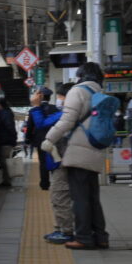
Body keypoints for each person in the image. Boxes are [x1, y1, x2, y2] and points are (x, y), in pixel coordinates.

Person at [42, 62, 109, 250]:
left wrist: (49, 139)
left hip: (78, 150)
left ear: (80, 75)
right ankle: (101, 237)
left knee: (79, 197)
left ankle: (83, 238)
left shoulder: (77, 91)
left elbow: (67, 121)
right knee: (92, 197)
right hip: (94, 149)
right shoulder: (100, 92)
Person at [43, 83, 75, 244]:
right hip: (66, 158)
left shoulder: (67, 113)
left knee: (59, 194)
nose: (59, 100)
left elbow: (43, 122)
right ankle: (63, 228)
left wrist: (36, 106)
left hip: (63, 160)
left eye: (61, 97)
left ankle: (66, 231)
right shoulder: (74, 112)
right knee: (65, 195)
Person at [25, 86, 58, 190]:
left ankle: (44, 184)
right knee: (55, 159)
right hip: (54, 140)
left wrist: (28, 139)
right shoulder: (55, 109)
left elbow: (30, 126)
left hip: (40, 141)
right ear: (49, 97)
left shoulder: (33, 110)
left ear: (40, 96)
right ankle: (57, 182)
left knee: (43, 162)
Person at [0, 96, 17, 187]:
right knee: (4, 162)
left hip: (6, 141)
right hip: (5, 141)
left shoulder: (4, 114)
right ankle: (6, 180)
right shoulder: (5, 113)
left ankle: (7, 181)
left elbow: (10, 127)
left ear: (0, 105)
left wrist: (13, 139)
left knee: (5, 162)